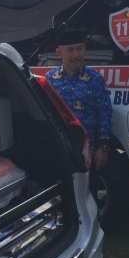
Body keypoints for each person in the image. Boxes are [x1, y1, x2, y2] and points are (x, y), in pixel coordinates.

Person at [45, 29, 113, 170]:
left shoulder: (94, 79)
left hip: (88, 152)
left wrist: (103, 147)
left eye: (80, 49)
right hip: (60, 150)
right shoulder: (50, 79)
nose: (76, 55)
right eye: (70, 50)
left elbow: (105, 114)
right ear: (59, 53)